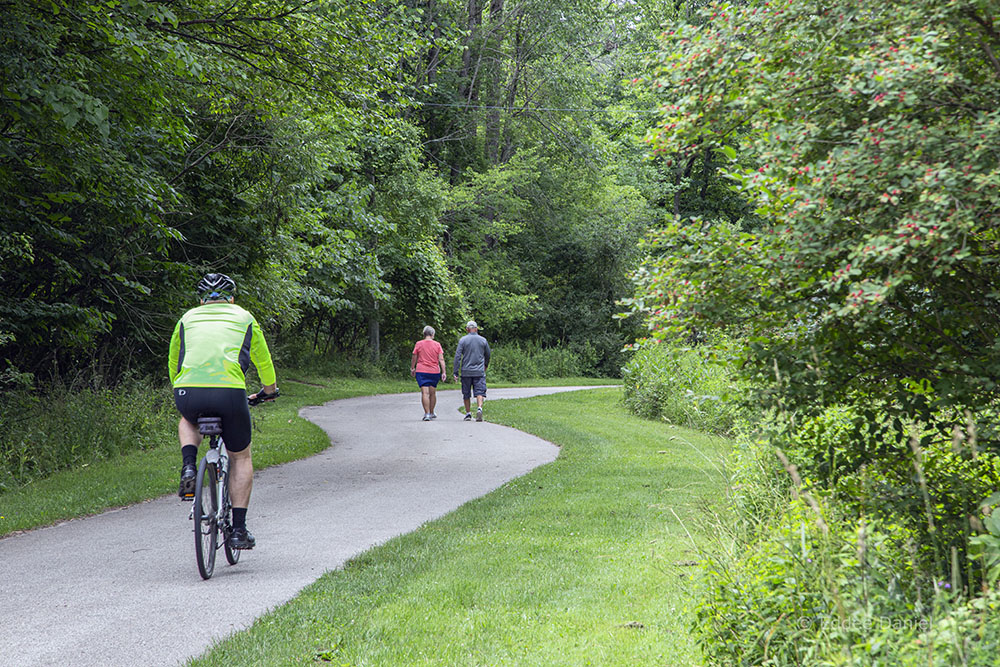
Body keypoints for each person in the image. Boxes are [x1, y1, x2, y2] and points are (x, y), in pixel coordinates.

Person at [168, 273, 277, 550]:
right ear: (231, 297)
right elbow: (262, 360)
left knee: (188, 419)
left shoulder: (187, 318)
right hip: (229, 391)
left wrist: (179, 388)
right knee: (240, 457)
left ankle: (189, 466)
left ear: (201, 299)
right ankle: (238, 530)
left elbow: (174, 359)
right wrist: (268, 390)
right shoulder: (244, 317)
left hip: (188, 389)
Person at [453, 320, 491, 421]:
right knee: (480, 391)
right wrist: (485, 365)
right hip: (479, 371)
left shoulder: (463, 340)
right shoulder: (483, 340)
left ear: (467, 329)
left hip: (466, 371)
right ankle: (479, 408)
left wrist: (455, 372)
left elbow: (457, 357)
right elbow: (488, 354)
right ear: (476, 329)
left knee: (466, 393)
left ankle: (468, 413)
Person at [411, 325, 448, 421]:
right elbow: (441, 359)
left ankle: (426, 414)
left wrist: (412, 368)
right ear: (432, 334)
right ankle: (431, 412)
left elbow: (414, 357)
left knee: (424, 393)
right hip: (434, 371)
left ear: (424, 334)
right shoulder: (437, 345)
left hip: (421, 370)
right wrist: (444, 372)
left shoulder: (418, 344)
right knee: (432, 393)